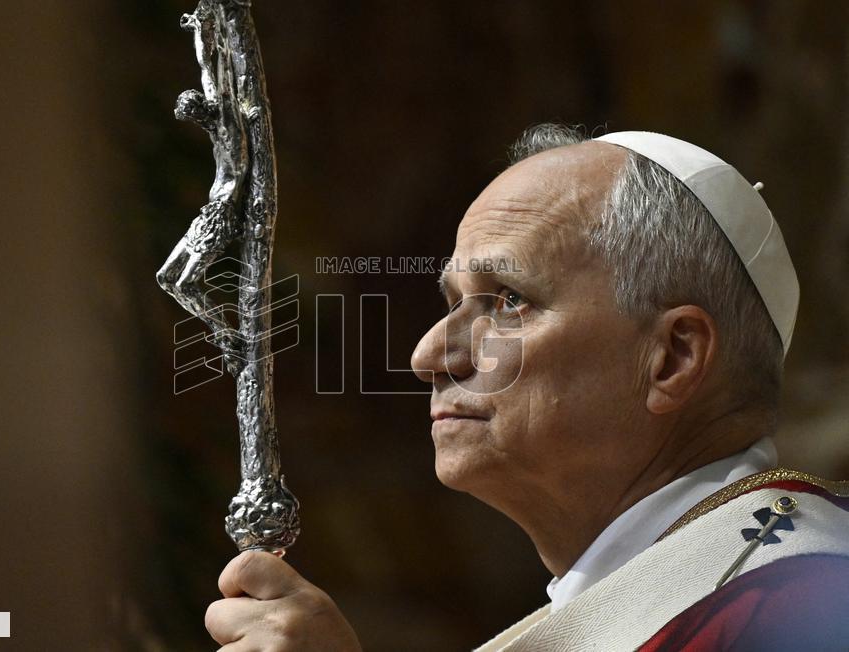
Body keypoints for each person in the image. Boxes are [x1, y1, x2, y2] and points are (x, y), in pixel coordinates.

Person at [203, 125, 849, 651]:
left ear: (672, 357)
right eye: (454, 302)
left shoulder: (801, 603)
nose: (429, 355)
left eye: (508, 301)